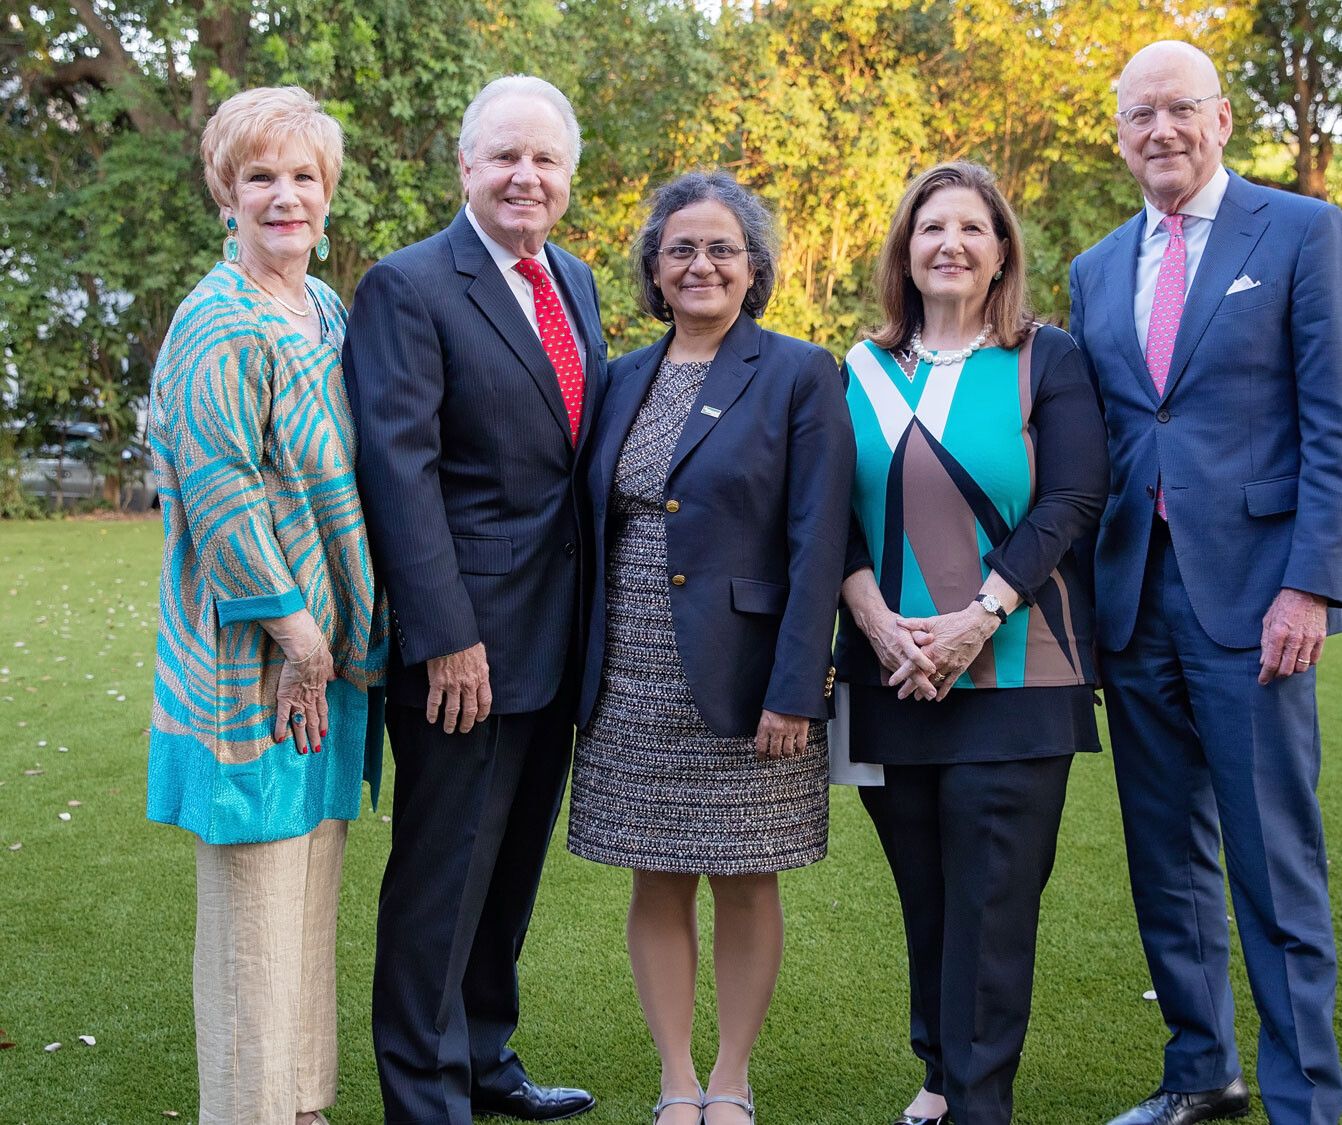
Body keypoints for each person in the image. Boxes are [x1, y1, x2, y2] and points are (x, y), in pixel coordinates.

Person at [1068, 41, 1342, 1125]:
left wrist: (1312, 587)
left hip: (1256, 600)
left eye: (1179, 109)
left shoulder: (1300, 233)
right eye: (1139, 115)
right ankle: (1203, 1071)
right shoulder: (1098, 269)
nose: (1160, 131)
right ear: (1118, 135)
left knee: (1272, 862)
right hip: (1132, 600)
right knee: (1166, 856)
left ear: (1222, 118)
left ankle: (1303, 1100)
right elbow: (1105, 437)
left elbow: (1339, 426)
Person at [566, 171, 854, 1125]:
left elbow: (821, 540)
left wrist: (797, 685)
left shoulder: (800, 372)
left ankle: (731, 1077)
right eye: (681, 248)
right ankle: (676, 1077)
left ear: (754, 267)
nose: (701, 264)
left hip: (748, 671)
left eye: (722, 248)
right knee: (656, 870)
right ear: (655, 267)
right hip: (630, 670)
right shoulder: (619, 378)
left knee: (744, 872)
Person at [343, 75, 602, 1125]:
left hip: (559, 637)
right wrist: (446, 638)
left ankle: (487, 1059)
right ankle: (425, 1095)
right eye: (504, 156)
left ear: (569, 177)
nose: (525, 176)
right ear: (465, 167)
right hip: (466, 652)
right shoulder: (408, 287)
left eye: (544, 159)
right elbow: (397, 474)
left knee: (508, 876)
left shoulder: (573, 281)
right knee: (442, 882)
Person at [836, 161, 1110, 1125]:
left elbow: (1074, 496)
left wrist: (978, 618)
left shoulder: (1047, 357)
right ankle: (943, 1076)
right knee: (928, 897)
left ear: (1001, 253)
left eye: (972, 228)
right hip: (892, 678)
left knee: (994, 907)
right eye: (929, 227)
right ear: (905, 251)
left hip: (1020, 671)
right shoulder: (856, 368)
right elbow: (828, 519)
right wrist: (875, 623)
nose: (949, 242)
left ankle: (981, 1102)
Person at [146, 85, 387, 1125]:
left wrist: (327, 645)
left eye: (304, 176)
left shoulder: (321, 303)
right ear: (225, 194)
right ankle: (247, 1110)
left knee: (308, 893)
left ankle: (301, 1106)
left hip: (327, 652)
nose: (285, 196)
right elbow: (219, 487)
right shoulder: (218, 319)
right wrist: (296, 636)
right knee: (254, 907)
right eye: (261, 177)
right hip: (262, 652)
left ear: (327, 195)